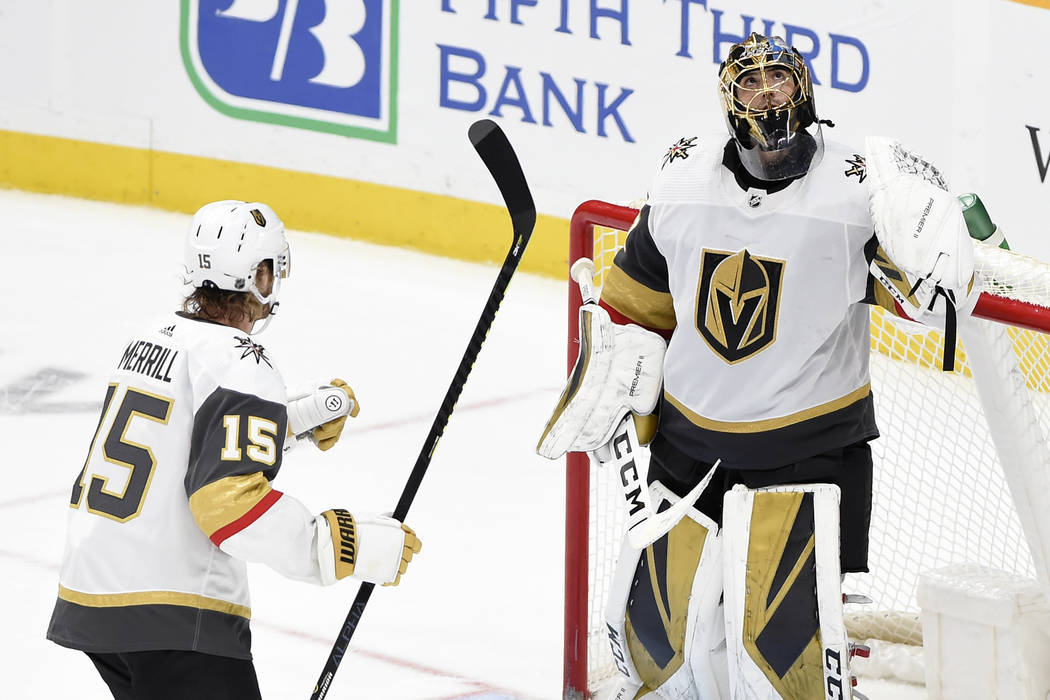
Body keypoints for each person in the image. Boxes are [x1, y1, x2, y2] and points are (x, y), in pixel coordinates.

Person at [539, 33, 978, 700]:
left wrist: (944, 225)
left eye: (779, 79)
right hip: (689, 451)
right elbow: (640, 297)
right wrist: (614, 357)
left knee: (787, 671)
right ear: (730, 101)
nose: (767, 93)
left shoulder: (859, 189)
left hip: (810, 455)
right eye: (751, 83)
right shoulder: (684, 179)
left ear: (805, 90)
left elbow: (929, 298)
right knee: (661, 658)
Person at [46, 200, 422, 700]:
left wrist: (289, 418)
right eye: (270, 272)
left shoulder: (150, 337)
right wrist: (335, 545)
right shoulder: (243, 362)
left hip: (95, 598)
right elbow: (227, 505)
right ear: (257, 276)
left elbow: (181, 438)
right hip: (176, 618)